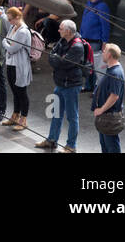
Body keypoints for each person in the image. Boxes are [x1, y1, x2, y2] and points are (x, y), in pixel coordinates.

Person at [37, 20, 89, 151]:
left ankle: (71, 146)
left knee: (72, 116)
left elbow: (63, 63)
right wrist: (58, 59)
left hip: (71, 85)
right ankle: (52, 139)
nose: (58, 31)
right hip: (60, 83)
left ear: (68, 31)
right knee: (56, 113)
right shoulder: (63, 40)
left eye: (60, 29)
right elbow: (51, 57)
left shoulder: (77, 47)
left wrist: (57, 59)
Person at [91, 43, 125, 153]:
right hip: (105, 117)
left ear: (110, 55)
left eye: (105, 51)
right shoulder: (111, 69)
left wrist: (101, 110)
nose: (102, 53)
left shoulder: (115, 73)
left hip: (110, 117)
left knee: (111, 146)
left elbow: (114, 96)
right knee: (105, 146)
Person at [1, 7, 33, 131]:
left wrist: (5, 43)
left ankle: (23, 119)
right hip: (11, 63)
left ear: (18, 17)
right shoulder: (12, 27)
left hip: (20, 65)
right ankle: (15, 115)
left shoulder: (23, 31)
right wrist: (8, 44)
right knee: (15, 91)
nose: (9, 21)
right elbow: (11, 45)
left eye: (10, 19)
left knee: (21, 92)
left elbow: (12, 49)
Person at [80, 0, 112, 92]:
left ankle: (97, 87)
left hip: (95, 40)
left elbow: (105, 25)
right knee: (87, 63)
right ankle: (89, 85)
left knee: (96, 65)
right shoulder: (88, 4)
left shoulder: (102, 6)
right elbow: (84, 20)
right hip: (85, 38)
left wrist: (104, 41)